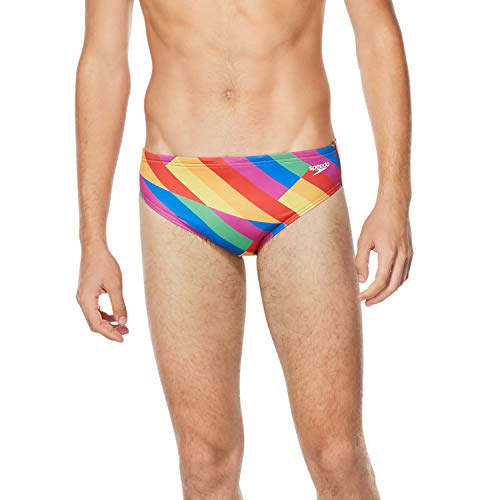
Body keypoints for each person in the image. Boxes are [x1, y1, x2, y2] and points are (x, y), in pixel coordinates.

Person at [75, 0, 412, 498]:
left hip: (300, 177)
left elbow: (376, 33)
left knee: (337, 453)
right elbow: (103, 60)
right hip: (179, 185)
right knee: (205, 460)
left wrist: (394, 197)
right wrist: (93, 240)